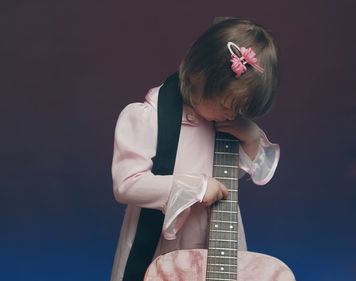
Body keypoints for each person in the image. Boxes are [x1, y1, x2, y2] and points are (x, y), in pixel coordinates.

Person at [110, 17, 280, 280]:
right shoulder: (147, 118)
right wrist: (196, 187)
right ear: (196, 76)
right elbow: (127, 184)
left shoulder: (227, 122)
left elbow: (232, 179)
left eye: (241, 108)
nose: (233, 114)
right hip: (165, 239)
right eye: (226, 103)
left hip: (216, 237)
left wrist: (251, 138)